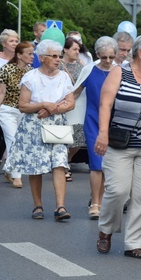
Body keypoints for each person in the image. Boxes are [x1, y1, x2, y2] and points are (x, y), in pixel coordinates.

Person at [94, 35, 141, 258]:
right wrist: (102, 134)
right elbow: (105, 103)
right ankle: (105, 230)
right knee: (117, 191)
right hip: (120, 144)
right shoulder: (119, 72)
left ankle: (134, 244)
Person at [3, 39, 75, 220]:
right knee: (36, 166)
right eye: (54, 56)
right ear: (42, 58)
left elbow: (71, 102)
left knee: (59, 162)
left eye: (59, 56)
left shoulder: (64, 77)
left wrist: (54, 108)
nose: (58, 59)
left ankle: (60, 207)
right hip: (33, 125)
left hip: (57, 124)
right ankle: (38, 205)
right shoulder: (31, 77)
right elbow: (23, 106)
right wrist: (43, 104)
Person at [73, 37, 118, 219]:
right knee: (96, 164)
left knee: (109, 165)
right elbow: (75, 93)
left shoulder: (120, 71)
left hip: (115, 122)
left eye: (111, 57)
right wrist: (57, 107)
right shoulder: (89, 70)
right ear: (97, 54)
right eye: (104, 57)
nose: (108, 61)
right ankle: (95, 203)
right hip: (92, 121)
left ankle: (104, 200)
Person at [0, 41, 35, 188]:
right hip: (7, 110)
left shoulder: (31, 71)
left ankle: (9, 169)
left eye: (33, 53)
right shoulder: (6, 69)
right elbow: (1, 92)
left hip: (24, 111)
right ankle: (17, 176)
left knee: (21, 142)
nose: (32, 56)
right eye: (29, 54)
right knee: (13, 141)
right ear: (19, 55)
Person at [60, 37, 86, 181]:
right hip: (62, 105)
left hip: (78, 105)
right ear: (65, 49)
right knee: (63, 136)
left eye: (78, 49)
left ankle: (67, 159)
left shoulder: (81, 67)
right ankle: (65, 165)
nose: (77, 52)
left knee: (78, 138)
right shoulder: (58, 65)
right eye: (74, 49)